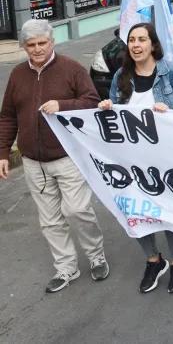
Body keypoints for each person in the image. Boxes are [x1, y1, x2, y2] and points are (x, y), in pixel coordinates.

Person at [0, 19, 109, 293]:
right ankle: (66, 268)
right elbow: (8, 116)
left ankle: (96, 256)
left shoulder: (71, 69)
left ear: (52, 42)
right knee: (49, 219)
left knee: (78, 210)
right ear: (24, 46)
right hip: (33, 162)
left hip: (67, 156)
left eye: (42, 43)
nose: (37, 49)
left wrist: (63, 105)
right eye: (31, 45)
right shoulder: (17, 75)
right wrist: (2, 152)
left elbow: (92, 102)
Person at [98, 23, 173, 294]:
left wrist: (170, 112)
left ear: (153, 44)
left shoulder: (170, 72)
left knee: (169, 211)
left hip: (166, 158)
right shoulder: (121, 76)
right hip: (131, 161)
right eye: (132, 40)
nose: (136, 44)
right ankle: (154, 261)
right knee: (138, 212)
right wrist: (108, 108)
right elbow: (115, 116)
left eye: (142, 39)